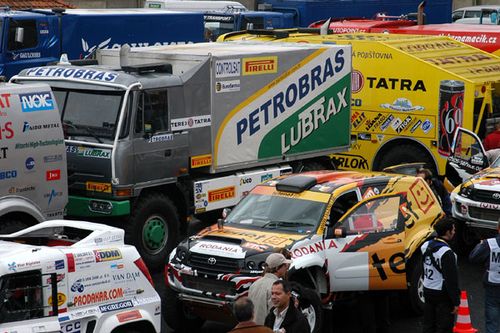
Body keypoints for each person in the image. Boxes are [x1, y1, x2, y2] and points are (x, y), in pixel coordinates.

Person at [421, 217, 460, 333]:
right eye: (453, 229)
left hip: (427, 289)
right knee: (444, 327)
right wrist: (456, 302)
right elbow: (451, 280)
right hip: (442, 294)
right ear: (447, 232)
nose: (454, 232)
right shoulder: (447, 252)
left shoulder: (426, 245)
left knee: (428, 324)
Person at [469, 220, 500, 333]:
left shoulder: (489, 243)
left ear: (498, 228)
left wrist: (481, 244)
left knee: (492, 321)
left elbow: (473, 257)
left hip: (493, 285)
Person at [248, 252, 291, 325]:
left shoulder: (255, 284)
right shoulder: (276, 287)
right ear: (277, 268)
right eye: (285, 265)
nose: (286, 268)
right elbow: (276, 315)